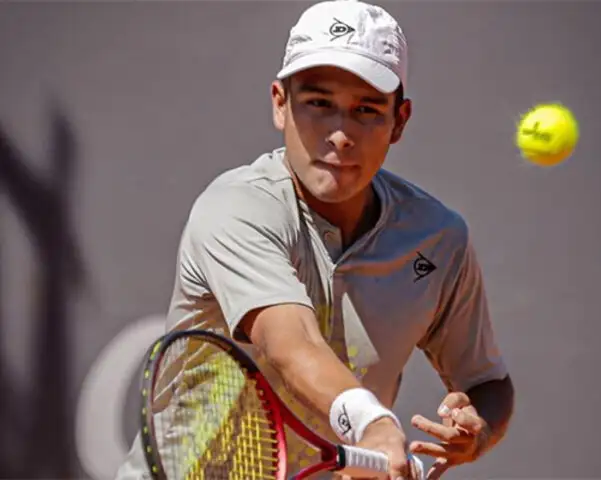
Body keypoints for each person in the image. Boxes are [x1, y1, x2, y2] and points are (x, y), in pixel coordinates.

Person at [116, 1, 514, 479]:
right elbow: (291, 342)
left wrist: (478, 428)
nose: (340, 134)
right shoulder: (235, 208)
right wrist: (373, 424)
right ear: (280, 104)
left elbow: (487, 383)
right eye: (319, 104)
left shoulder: (438, 238)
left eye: (366, 110)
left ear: (400, 121)